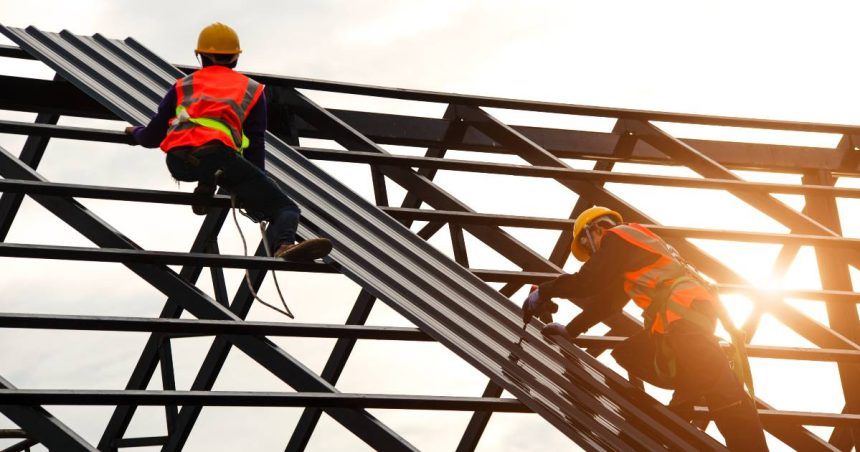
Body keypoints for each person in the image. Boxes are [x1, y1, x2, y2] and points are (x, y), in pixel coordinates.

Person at [523, 206, 768, 451]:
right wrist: (571, 330)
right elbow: (609, 302)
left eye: (588, 246)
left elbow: (588, 281)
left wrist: (545, 291)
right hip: (685, 319)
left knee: (728, 397)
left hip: (684, 319)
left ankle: (693, 402)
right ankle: (681, 406)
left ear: (596, 229)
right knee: (636, 354)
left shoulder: (616, 237)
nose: (591, 254)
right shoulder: (634, 247)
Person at [124, 22, 330, 261]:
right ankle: (284, 244)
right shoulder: (251, 89)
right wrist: (257, 183)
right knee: (286, 208)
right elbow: (255, 142)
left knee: (212, 158)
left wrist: (133, 133)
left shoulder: (183, 85)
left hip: (178, 163)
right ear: (235, 58)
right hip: (219, 158)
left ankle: (206, 186)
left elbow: (152, 137)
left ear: (201, 56)